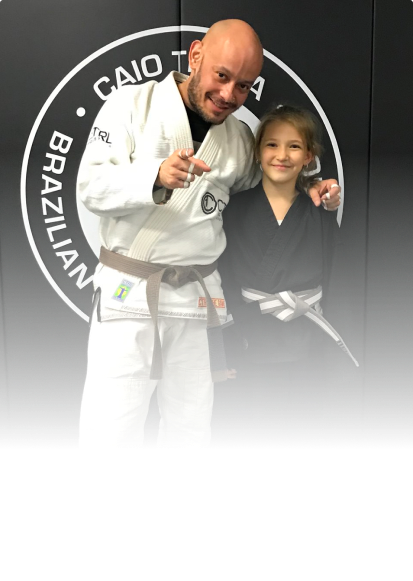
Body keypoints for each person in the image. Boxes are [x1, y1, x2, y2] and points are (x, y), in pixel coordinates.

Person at [76, 19, 341, 449]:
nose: (229, 95)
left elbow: (273, 181)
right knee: (111, 433)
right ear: (195, 55)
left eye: (243, 86)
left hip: (199, 302)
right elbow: (90, 186)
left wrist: (312, 186)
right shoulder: (130, 106)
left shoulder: (238, 140)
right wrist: (156, 175)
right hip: (129, 297)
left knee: (191, 432)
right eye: (222, 76)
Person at [219, 104, 361, 443]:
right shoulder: (235, 209)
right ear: (256, 152)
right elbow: (221, 281)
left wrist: (337, 349)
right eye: (271, 144)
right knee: (255, 425)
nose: (281, 155)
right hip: (252, 338)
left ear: (309, 155)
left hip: (307, 338)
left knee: (306, 426)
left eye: (294, 146)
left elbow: (335, 281)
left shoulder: (318, 209)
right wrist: (221, 351)